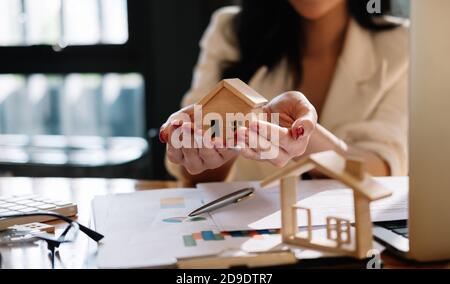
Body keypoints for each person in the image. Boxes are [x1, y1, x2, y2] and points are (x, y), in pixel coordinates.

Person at [160, 0, 408, 186]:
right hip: (243, 235)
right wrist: (219, 143)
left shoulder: (402, 44)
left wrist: (304, 140)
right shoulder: (229, 31)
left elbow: (384, 169)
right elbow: (194, 178)